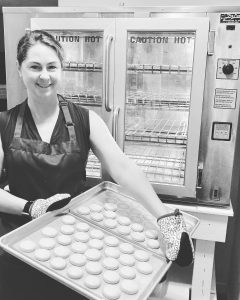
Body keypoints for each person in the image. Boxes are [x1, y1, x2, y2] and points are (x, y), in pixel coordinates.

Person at [0, 30, 194, 300]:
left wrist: (164, 217)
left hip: (77, 246)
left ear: (61, 70)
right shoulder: (4, 123)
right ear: (20, 70)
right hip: (19, 244)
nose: (44, 76)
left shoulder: (85, 120)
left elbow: (122, 167)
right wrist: (30, 207)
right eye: (34, 67)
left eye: (51, 67)